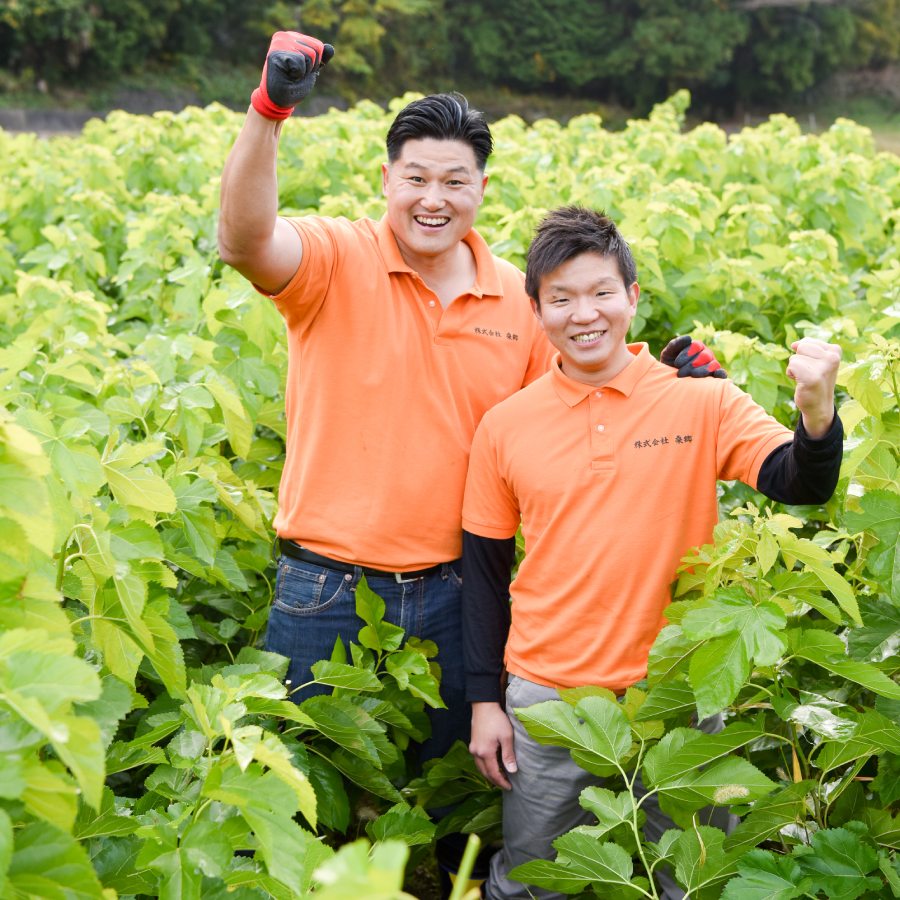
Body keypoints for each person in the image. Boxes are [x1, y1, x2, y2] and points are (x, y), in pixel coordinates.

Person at [218, 32, 723, 892]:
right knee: (298, 808)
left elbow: (576, 411)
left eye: (455, 181)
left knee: (456, 816)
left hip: (460, 593)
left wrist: (672, 388)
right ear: (387, 180)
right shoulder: (333, 258)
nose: (432, 197)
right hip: (324, 591)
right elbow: (242, 239)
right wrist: (270, 110)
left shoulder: (522, 307)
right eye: (416, 177)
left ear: (481, 191)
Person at [461, 206, 843, 900]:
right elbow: (485, 574)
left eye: (602, 292)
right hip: (551, 697)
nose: (585, 314)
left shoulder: (701, 402)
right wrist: (486, 701)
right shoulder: (505, 426)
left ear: (632, 298)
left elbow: (800, 481)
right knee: (533, 880)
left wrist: (816, 412)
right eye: (562, 298)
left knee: (691, 878)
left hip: (679, 691)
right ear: (536, 310)